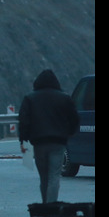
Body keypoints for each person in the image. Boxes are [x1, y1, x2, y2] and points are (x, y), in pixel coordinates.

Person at [18, 69, 80, 203]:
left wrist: (23, 140)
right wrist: (69, 132)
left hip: (38, 142)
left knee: (44, 177)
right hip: (58, 142)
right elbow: (74, 118)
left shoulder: (30, 98)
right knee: (54, 176)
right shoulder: (64, 98)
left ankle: (45, 205)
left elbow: (23, 121)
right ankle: (50, 207)